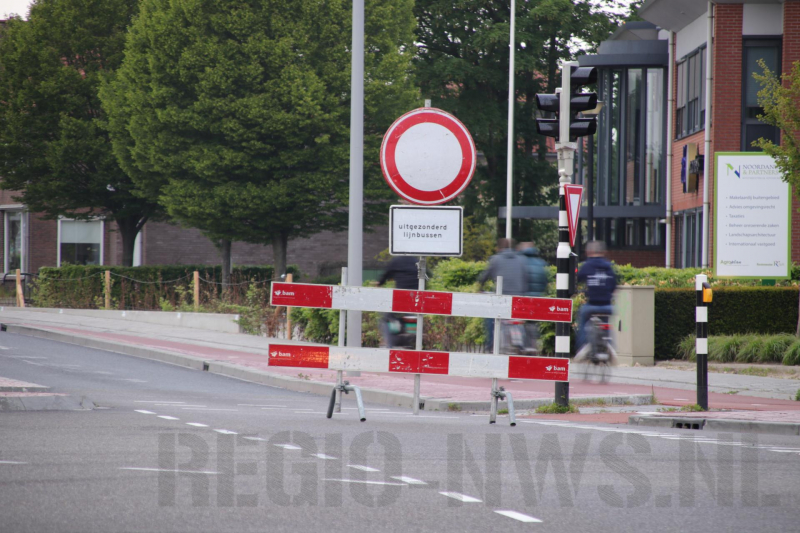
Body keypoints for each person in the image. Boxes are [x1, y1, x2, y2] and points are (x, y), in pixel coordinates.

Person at [478, 238, 529, 350]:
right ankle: (522, 344)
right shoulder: (521, 260)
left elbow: (485, 275)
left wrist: (480, 287)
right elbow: (526, 278)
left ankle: (491, 344)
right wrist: (523, 293)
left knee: (491, 318)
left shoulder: (495, 259)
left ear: (499, 248)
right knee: (519, 319)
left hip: (502, 296)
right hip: (518, 297)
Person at [576, 240, 617, 350]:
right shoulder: (609, 267)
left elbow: (578, 279)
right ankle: (610, 345)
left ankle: (582, 347)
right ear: (603, 252)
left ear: (589, 252)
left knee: (582, 317)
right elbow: (614, 285)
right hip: (608, 306)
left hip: (592, 305)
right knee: (605, 323)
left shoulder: (587, 265)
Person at [377, 255, 419, 347]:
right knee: (411, 317)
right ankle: (410, 341)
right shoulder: (416, 261)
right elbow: (427, 276)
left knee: (386, 318)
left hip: (400, 297)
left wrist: (379, 283)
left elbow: (386, 274)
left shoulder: (396, 261)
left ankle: (389, 344)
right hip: (416, 298)